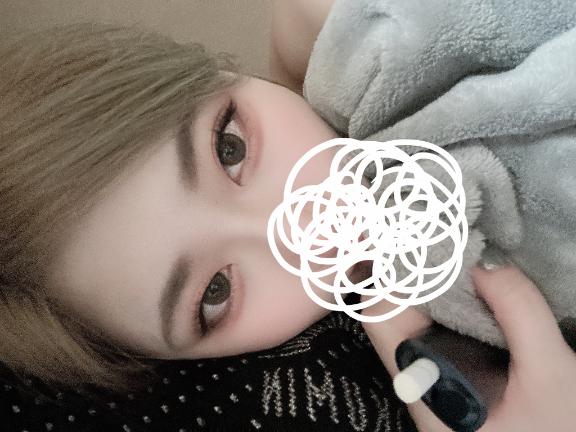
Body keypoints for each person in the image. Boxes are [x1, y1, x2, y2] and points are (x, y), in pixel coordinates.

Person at [0, 2, 574, 431]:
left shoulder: (370, 34)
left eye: (229, 148)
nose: (307, 231)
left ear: (223, 71)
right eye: (215, 292)